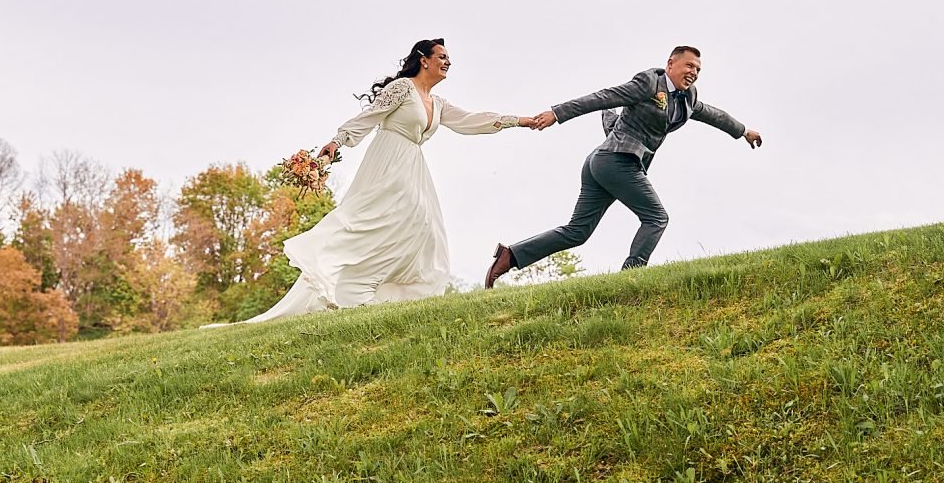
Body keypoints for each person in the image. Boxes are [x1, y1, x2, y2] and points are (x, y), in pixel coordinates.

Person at [230, 39, 537, 323]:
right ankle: (349, 286)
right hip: (388, 161)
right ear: (424, 60)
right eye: (442, 57)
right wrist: (337, 142)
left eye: (449, 59)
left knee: (425, 227)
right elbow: (370, 117)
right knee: (374, 222)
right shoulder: (403, 89)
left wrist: (519, 121)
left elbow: (473, 120)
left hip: (413, 166)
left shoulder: (438, 103)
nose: (448, 62)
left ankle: (376, 293)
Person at [484, 45, 762, 286]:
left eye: (698, 69)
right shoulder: (649, 83)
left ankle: (511, 255)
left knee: (577, 232)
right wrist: (557, 113)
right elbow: (604, 97)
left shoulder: (687, 99)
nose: (694, 72)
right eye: (689, 65)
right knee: (656, 218)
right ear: (670, 64)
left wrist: (743, 131)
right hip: (616, 161)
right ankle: (630, 277)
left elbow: (714, 114)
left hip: (604, 162)